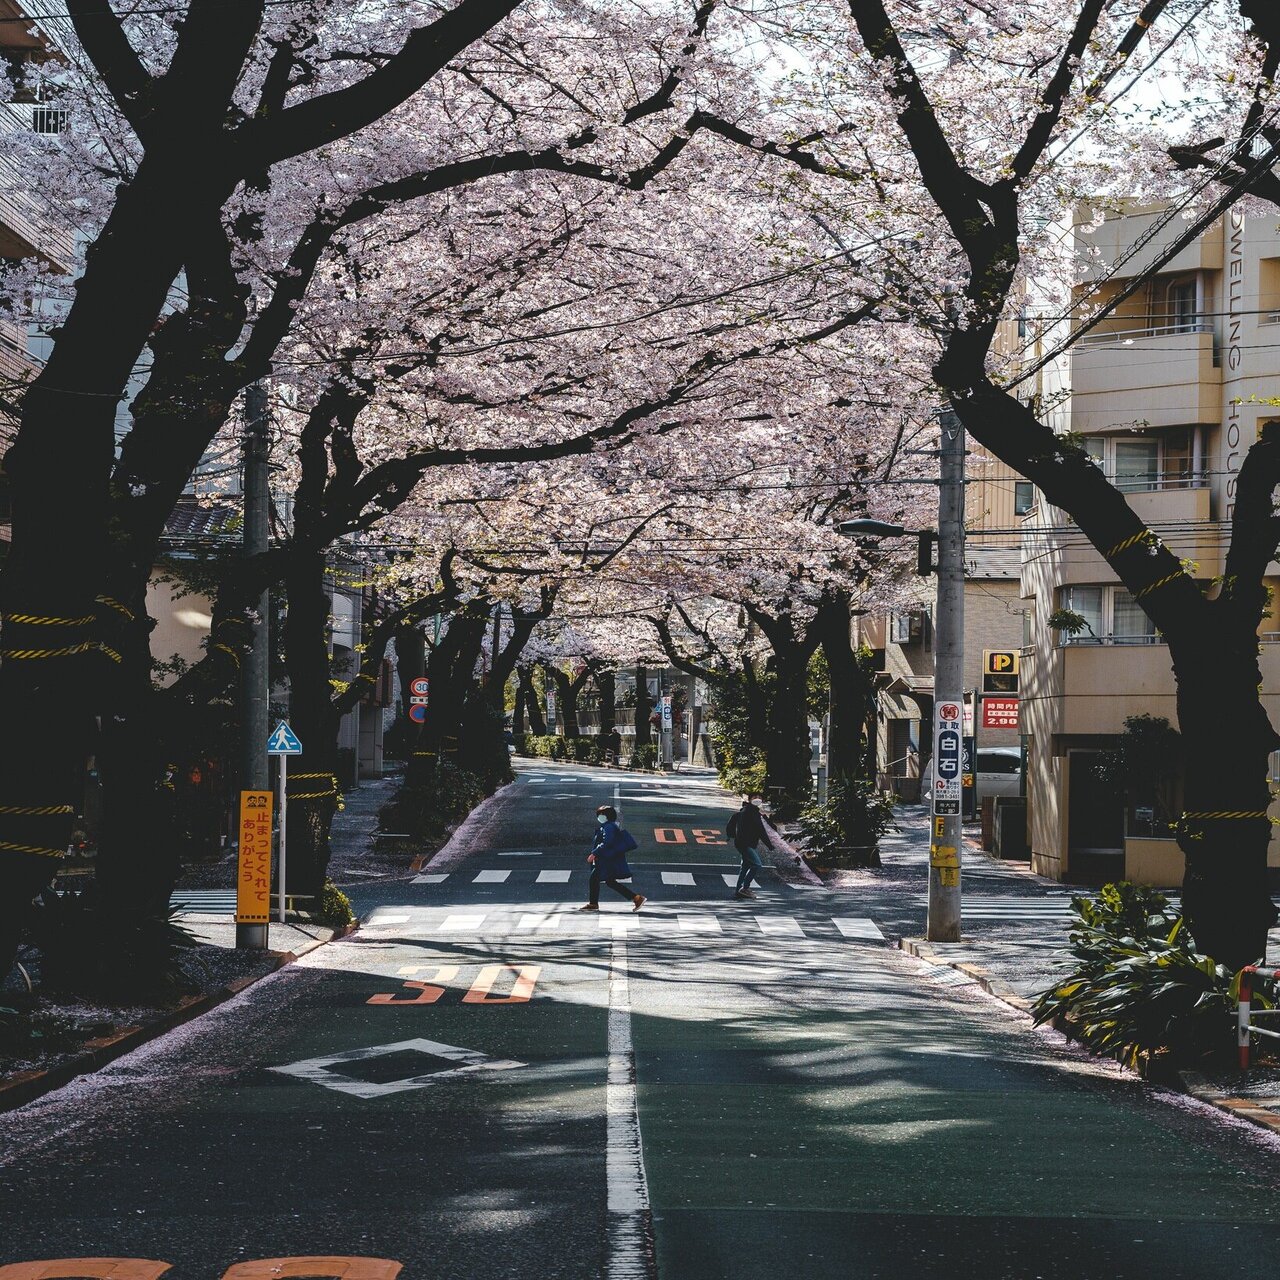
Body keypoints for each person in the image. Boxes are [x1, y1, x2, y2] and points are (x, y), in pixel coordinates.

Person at [580, 805, 645, 912]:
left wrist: (594, 853)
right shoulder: (607, 826)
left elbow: (607, 842)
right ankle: (636, 898)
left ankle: (593, 904)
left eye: (601, 815)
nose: (599, 817)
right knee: (608, 881)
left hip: (606, 859)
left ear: (607, 816)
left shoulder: (609, 827)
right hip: (608, 858)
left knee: (595, 878)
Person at [727, 793, 773, 900]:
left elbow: (732, 822)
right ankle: (745, 888)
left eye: (760, 798)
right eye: (755, 798)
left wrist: (731, 835)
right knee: (757, 864)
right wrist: (769, 845)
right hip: (745, 844)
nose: (757, 799)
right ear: (750, 799)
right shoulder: (749, 812)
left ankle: (739, 889)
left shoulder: (751, 811)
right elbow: (761, 831)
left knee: (745, 867)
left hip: (747, 843)